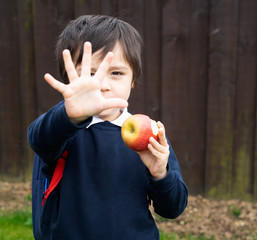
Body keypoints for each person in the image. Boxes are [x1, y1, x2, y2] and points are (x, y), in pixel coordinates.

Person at [28, 14, 188, 240]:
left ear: (133, 80)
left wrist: (160, 173)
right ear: (70, 77)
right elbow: (39, 140)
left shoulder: (151, 135)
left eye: (116, 73)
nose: (102, 85)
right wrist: (68, 115)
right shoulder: (62, 128)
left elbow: (173, 208)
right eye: (90, 74)